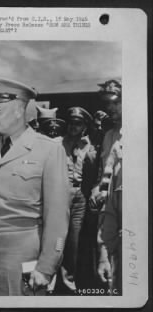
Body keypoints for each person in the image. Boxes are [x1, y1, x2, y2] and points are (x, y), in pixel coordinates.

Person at [0, 78, 70, 296]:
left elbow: (57, 216)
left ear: (19, 109)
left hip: (21, 250)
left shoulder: (49, 150)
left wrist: (47, 266)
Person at [57, 106, 96, 294]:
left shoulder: (89, 146)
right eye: (71, 123)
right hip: (59, 194)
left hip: (80, 196)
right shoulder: (56, 143)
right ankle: (49, 283)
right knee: (55, 237)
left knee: (74, 241)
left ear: (84, 127)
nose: (73, 126)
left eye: (78, 124)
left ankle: (68, 283)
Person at [90, 80, 123, 294]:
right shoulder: (110, 135)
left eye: (115, 103)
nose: (109, 108)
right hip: (110, 210)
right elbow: (107, 173)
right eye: (106, 103)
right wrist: (98, 187)